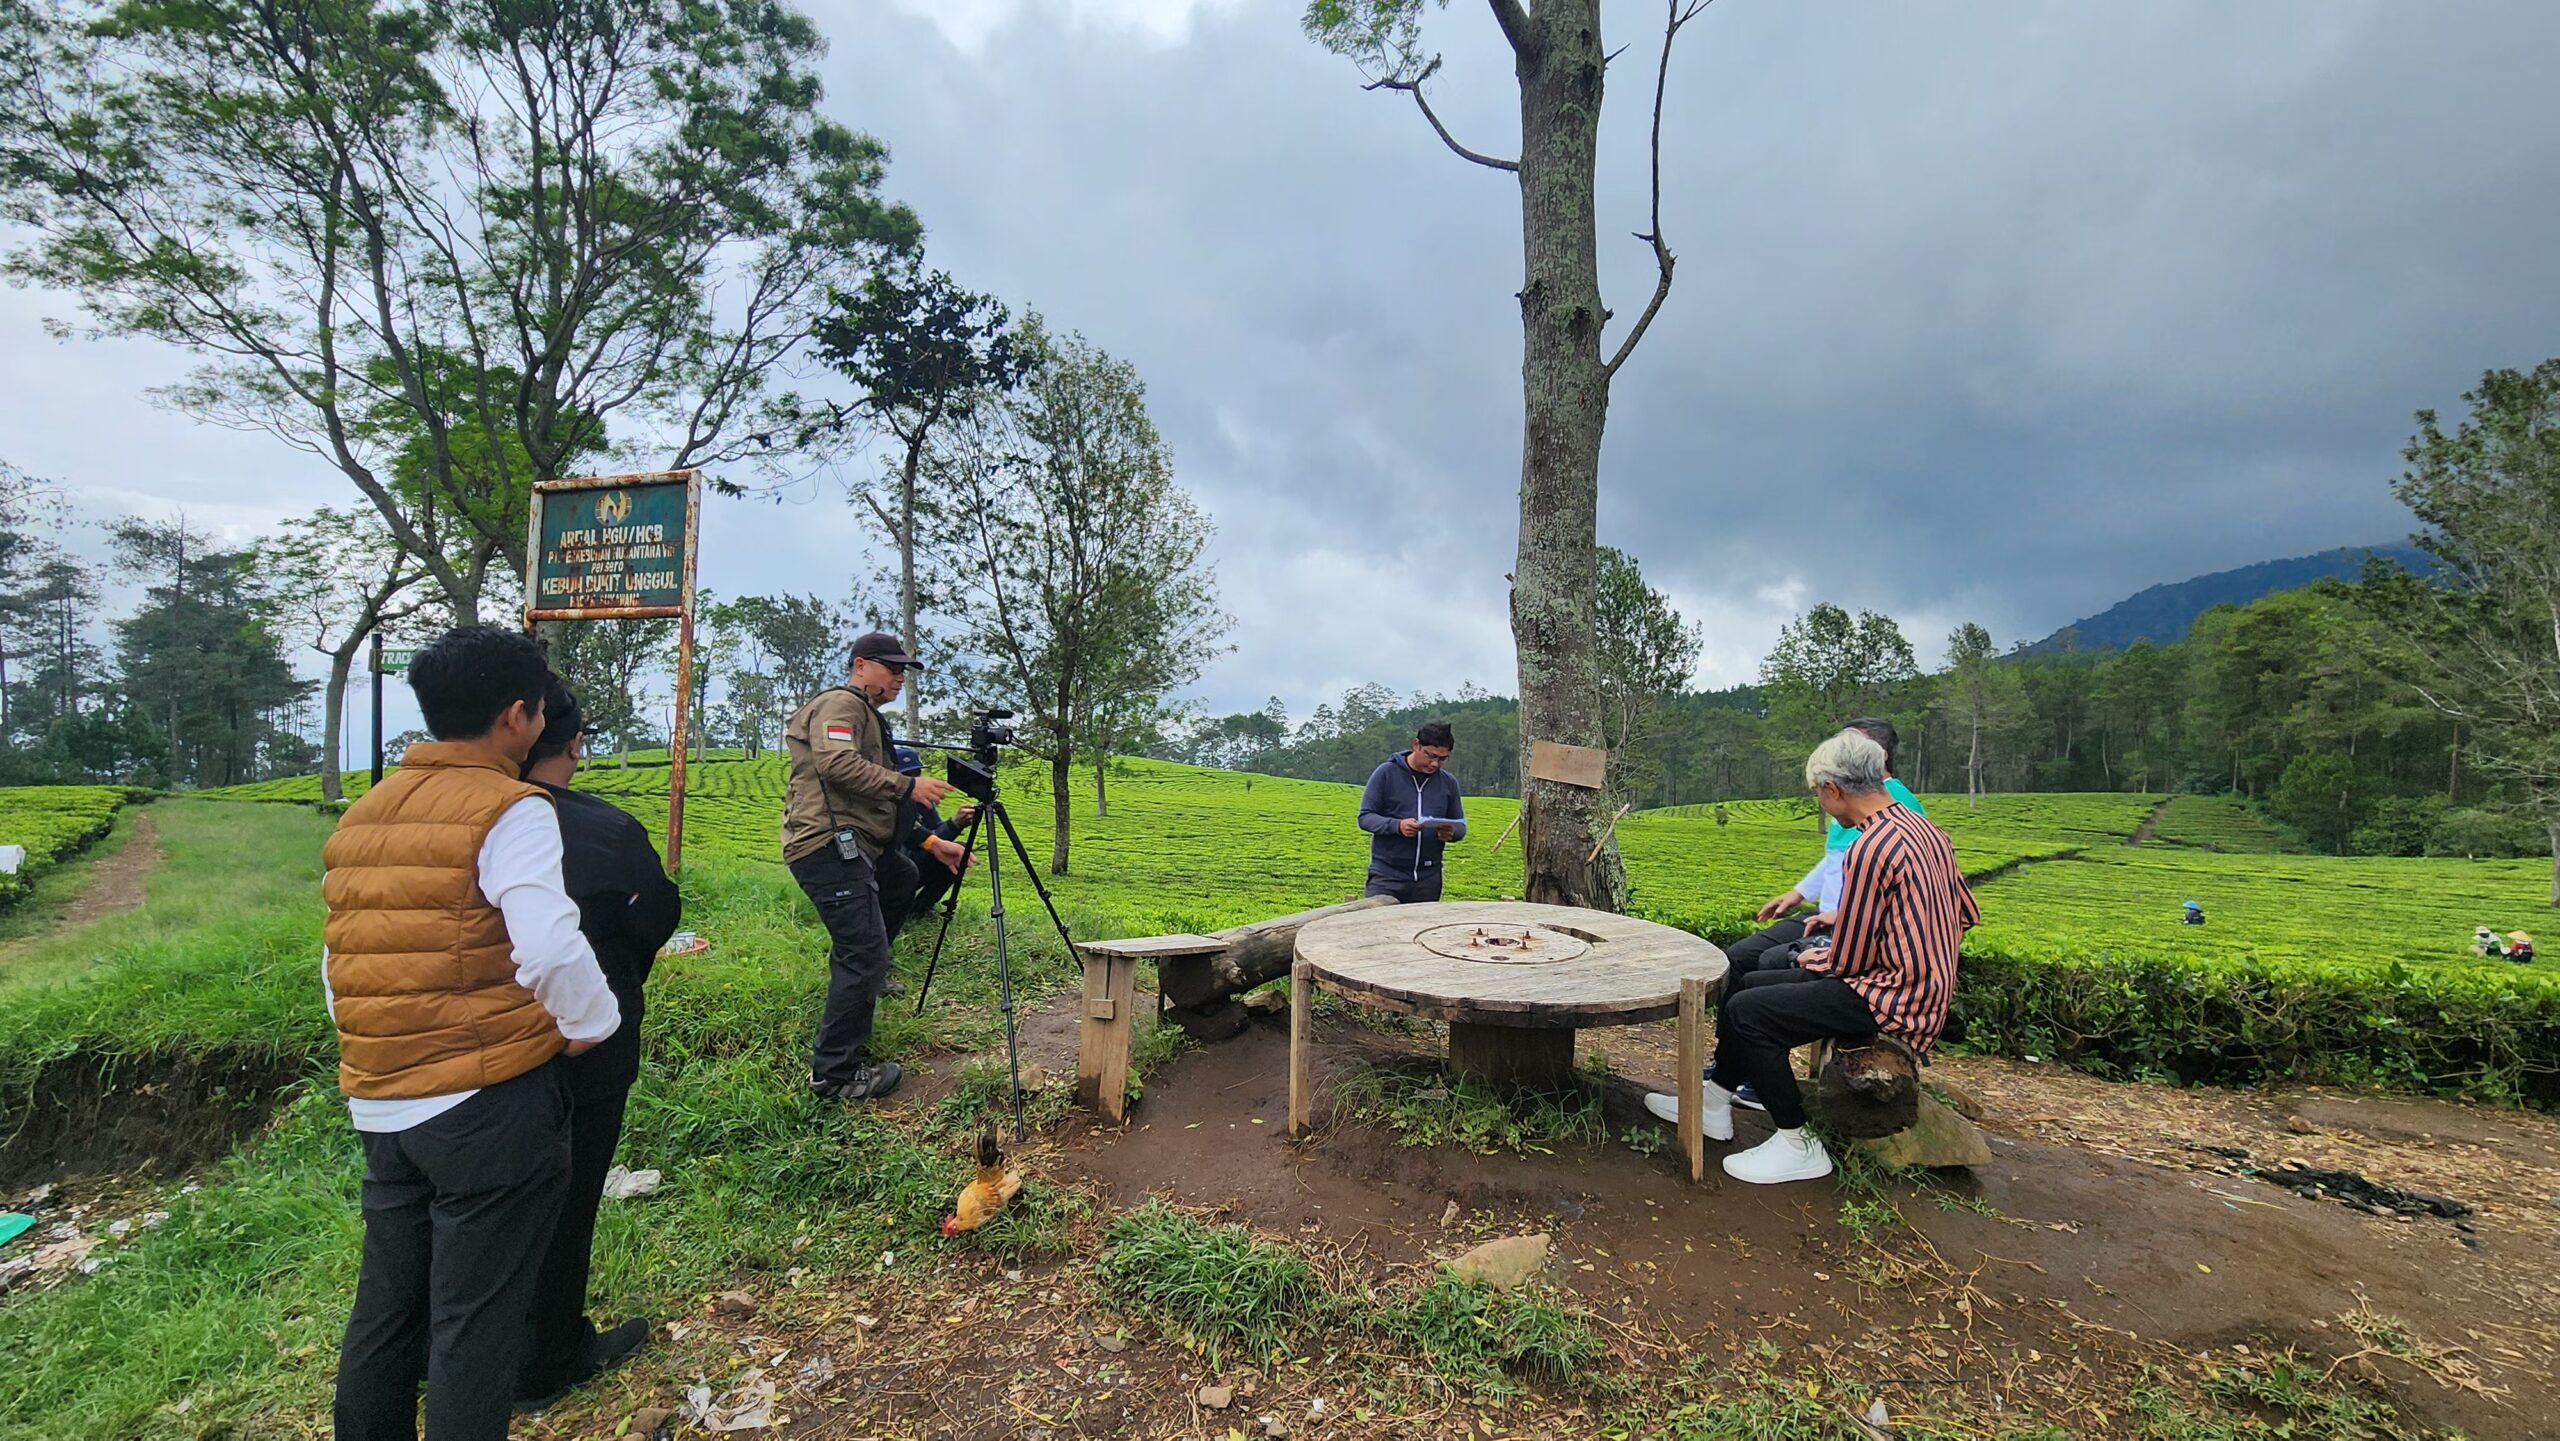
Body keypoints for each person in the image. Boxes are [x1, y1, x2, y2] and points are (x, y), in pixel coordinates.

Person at [323, 626, 621, 1441]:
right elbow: (552, 941)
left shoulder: (368, 811)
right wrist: (590, 1024)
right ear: (518, 717)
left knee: (387, 1309)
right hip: (485, 1104)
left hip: (384, 1099)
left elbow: (340, 957)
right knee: (475, 1318)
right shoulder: (509, 805)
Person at [1646, 729, 1979, 1185]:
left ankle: (1795, 1140)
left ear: (1832, 789)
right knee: (1748, 984)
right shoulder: (1923, 829)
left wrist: (1813, 960)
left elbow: (1851, 961)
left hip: (1895, 997)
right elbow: (1964, 911)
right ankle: (1716, 1100)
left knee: (1749, 1010)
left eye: (1818, 793)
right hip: (1922, 984)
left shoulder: (1870, 847)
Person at [516, 679, 681, 1411]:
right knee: (571, 1190)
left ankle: (458, 1341)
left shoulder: (442, 820)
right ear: (574, 742)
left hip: (464, 1047)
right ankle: (548, 1352)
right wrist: (620, 974)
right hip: (585, 1037)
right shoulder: (603, 828)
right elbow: (659, 904)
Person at [780, 631, 954, 1102]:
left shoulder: (866, 714)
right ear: (860, 666)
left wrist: (932, 841)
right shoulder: (843, 705)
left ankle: (865, 979)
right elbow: (837, 765)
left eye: (903, 671)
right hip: (826, 844)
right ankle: (834, 1074)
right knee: (864, 951)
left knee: (903, 877)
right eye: (890, 668)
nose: (899, 677)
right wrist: (906, 786)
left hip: (856, 843)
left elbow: (868, 800)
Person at [1727, 718, 1925, 979]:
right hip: (1829, 915)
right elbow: (1836, 858)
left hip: (1856, 927)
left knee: (1767, 969)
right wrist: (1799, 892)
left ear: (1879, 756)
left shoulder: (1892, 807)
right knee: (1739, 957)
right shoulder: (1849, 800)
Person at [1357, 720, 1467, 902]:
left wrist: (1452, 832)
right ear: (1416, 745)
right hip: (1387, 877)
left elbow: (1461, 826)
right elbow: (1365, 817)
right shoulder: (1386, 773)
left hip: (1429, 879)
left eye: (1442, 759)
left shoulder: (1448, 783)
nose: (1435, 764)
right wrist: (1397, 826)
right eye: (1430, 756)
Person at [876, 744, 974, 939]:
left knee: (958, 852)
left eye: (917, 774)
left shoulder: (922, 802)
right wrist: (954, 825)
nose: (916, 780)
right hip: (891, 870)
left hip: (916, 862)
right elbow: (910, 842)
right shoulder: (885, 801)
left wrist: (955, 825)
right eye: (908, 776)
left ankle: (920, 909)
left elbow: (933, 836)